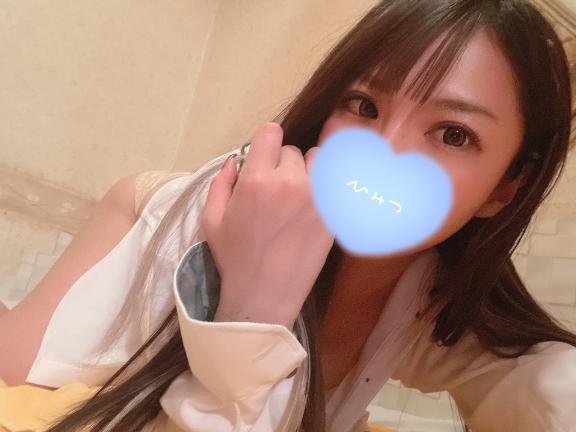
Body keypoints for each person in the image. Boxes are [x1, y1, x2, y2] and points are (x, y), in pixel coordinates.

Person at [1, 0, 575, 431]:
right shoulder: (227, 212)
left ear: (506, 188)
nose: (380, 158)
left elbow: (535, 384)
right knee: (17, 367)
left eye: (453, 134)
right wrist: (251, 314)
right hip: (145, 210)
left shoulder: (434, 299)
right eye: (363, 105)